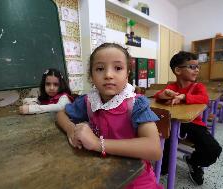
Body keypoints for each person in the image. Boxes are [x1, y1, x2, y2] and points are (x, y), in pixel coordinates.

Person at [56, 43, 163, 189]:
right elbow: (61, 114)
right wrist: (71, 130)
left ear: (127, 75)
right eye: (100, 69)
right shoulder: (89, 101)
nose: (108, 75)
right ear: (91, 76)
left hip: (136, 179)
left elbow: (154, 149)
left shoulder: (136, 104)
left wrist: (96, 143)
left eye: (118, 68)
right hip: (100, 174)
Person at [154, 51, 222, 185]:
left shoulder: (198, 86)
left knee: (213, 149)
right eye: (192, 67)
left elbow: (204, 98)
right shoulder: (172, 86)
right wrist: (164, 95)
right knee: (166, 141)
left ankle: (193, 161)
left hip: (193, 124)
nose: (196, 70)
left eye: (198, 67)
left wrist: (184, 97)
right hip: (174, 123)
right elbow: (159, 95)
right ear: (178, 70)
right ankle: (164, 166)